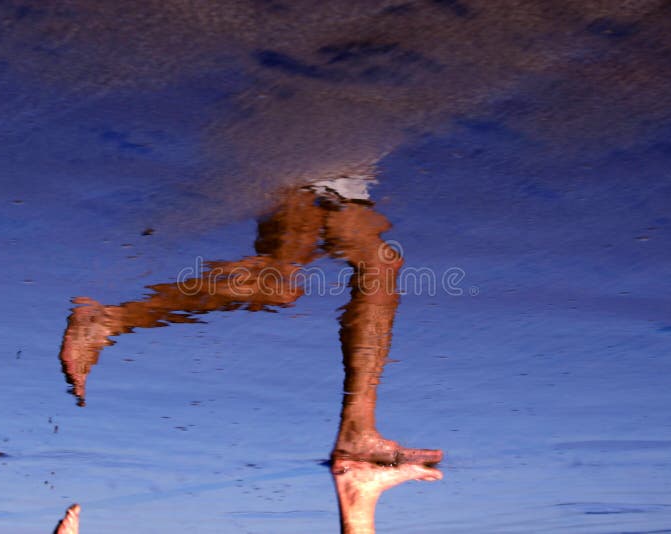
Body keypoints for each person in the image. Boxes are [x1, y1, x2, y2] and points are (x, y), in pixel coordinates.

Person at [57, 167, 442, 532]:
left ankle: (358, 438)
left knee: (369, 265)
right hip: (304, 140)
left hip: (340, 149)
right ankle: (109, 320)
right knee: (289, 280)